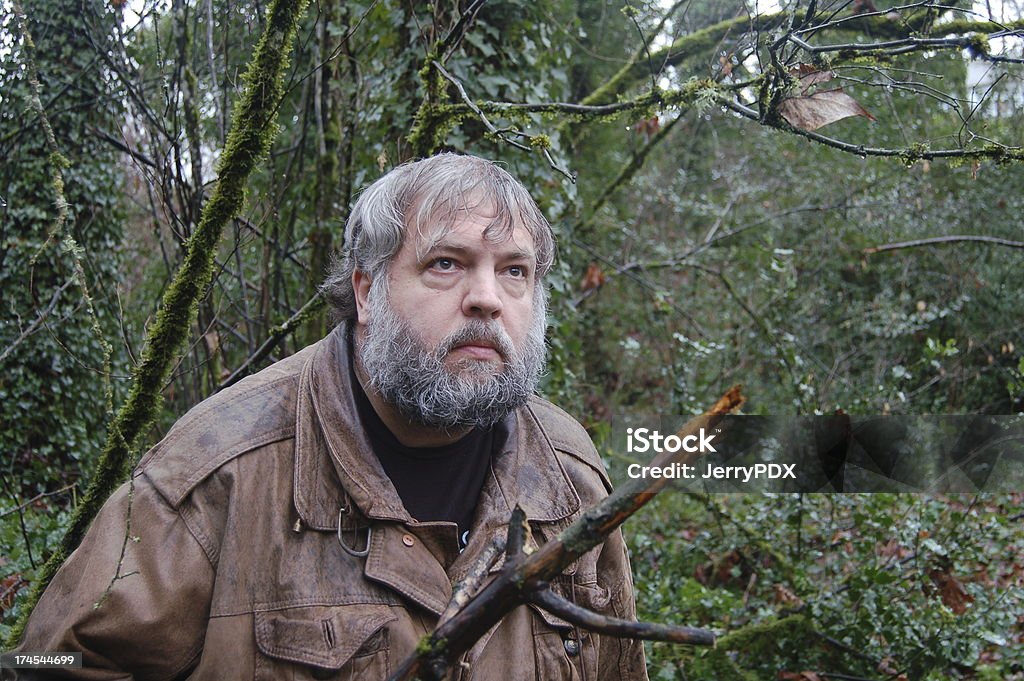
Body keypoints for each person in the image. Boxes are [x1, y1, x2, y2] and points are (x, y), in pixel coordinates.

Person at [10, 153, 648, 680]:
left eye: (514, 271)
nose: (485, 297)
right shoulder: (219, 468)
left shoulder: (569, 476)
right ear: (367, 290)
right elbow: (51, 663)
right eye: (446, 264)